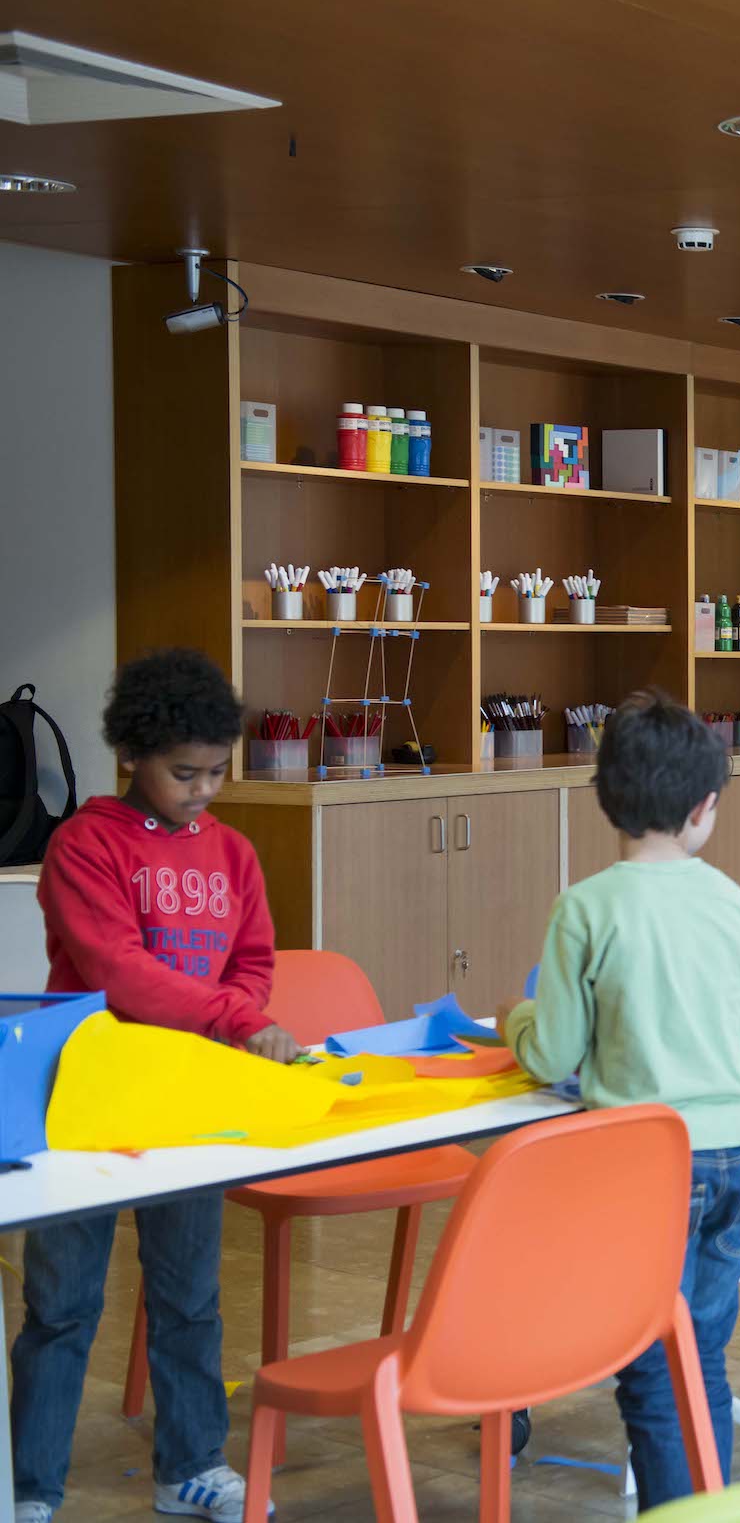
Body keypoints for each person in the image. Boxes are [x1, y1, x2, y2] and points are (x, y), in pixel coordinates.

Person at [14, 649, 290, 1523]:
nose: (204, 789)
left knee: (189, 1293)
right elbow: (116, 972)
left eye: (217, 771)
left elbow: (252, 961)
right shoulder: (83, 845)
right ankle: (29, 1485)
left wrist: (237, 1013)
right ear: (132, 754)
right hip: (85, 1098)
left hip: (186, 1097)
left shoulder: (235, 854)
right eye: (184, 772)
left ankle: (192, 1464)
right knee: (62, 1302)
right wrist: (234, 1020)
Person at [500, 689, 740, 1509]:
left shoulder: (586, 906)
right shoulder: (732, 902)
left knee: (651, 1367)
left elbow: (551, 1053)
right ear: (704, 808)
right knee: (700, 1357)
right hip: (737, 1160)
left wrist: (513, 1022)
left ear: (607, 797)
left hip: (647, 1167)